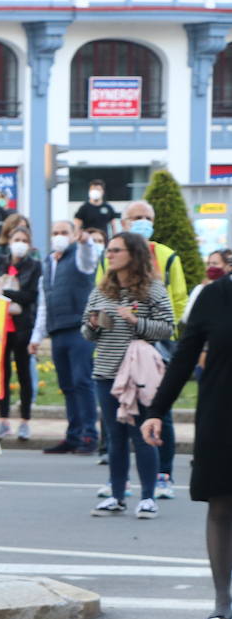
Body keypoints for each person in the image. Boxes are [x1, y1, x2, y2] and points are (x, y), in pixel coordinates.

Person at [141, 266, 232, 619]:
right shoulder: (214, 296)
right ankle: (222, 600)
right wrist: (156, 411)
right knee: (222, 504)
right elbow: (183, 356)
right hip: (221, 414)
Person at [85, 232, 173, 518]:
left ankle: (148, 497)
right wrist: (94, 324)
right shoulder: (101, 290)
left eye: (116, 250)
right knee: (114, 436)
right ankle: (116, 494)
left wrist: (136, 320)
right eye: (108, 250)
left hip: (138, 374)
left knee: (142, 433)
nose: (109, 255)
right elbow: (86, 332)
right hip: (106, 372)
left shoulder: (153, 289)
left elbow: (167, 328)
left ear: (133, 255)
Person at [116, 199, 188, 498]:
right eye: (136, 217)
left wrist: (157, 326)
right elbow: (102, 293)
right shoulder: (114, 256)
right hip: (122, 343)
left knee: (160, 408)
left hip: (158, 343)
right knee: (122, 410)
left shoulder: (167, 256)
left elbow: (180, 300)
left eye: (147, 217)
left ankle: (164, 474)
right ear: (124, 223)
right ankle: (122, 479)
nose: (143, 221)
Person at [30, 220, 101, 455]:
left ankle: (89, 435)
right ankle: (73, 435)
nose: (59, 236)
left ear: (73, 235)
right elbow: (44, 303)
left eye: (63, 232)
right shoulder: (48, 262)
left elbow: (89, 260)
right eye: (55, 233)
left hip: (79, 329)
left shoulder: (79, 255)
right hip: (57, 330)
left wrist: (86, 241)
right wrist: (36, 336)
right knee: (68, 386)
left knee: (82, 382)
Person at [0, 226, 41, 440]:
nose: (20, 243)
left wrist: (5, 292)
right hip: (1, 327)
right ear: (10, 241)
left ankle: (25, 420)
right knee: (2, 374)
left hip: (23, 327)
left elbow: (29, 296)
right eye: (17, 239)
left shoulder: (34, 266)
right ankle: (3, 420)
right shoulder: (1, 262)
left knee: (24, 375)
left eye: (24, 239)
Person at [184, 249, 228, 324]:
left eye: (215, 263)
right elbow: (186, 317)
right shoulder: (200, 288)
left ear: (226, 266)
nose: (211, 267)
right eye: (208, 264)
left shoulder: (228, 289)